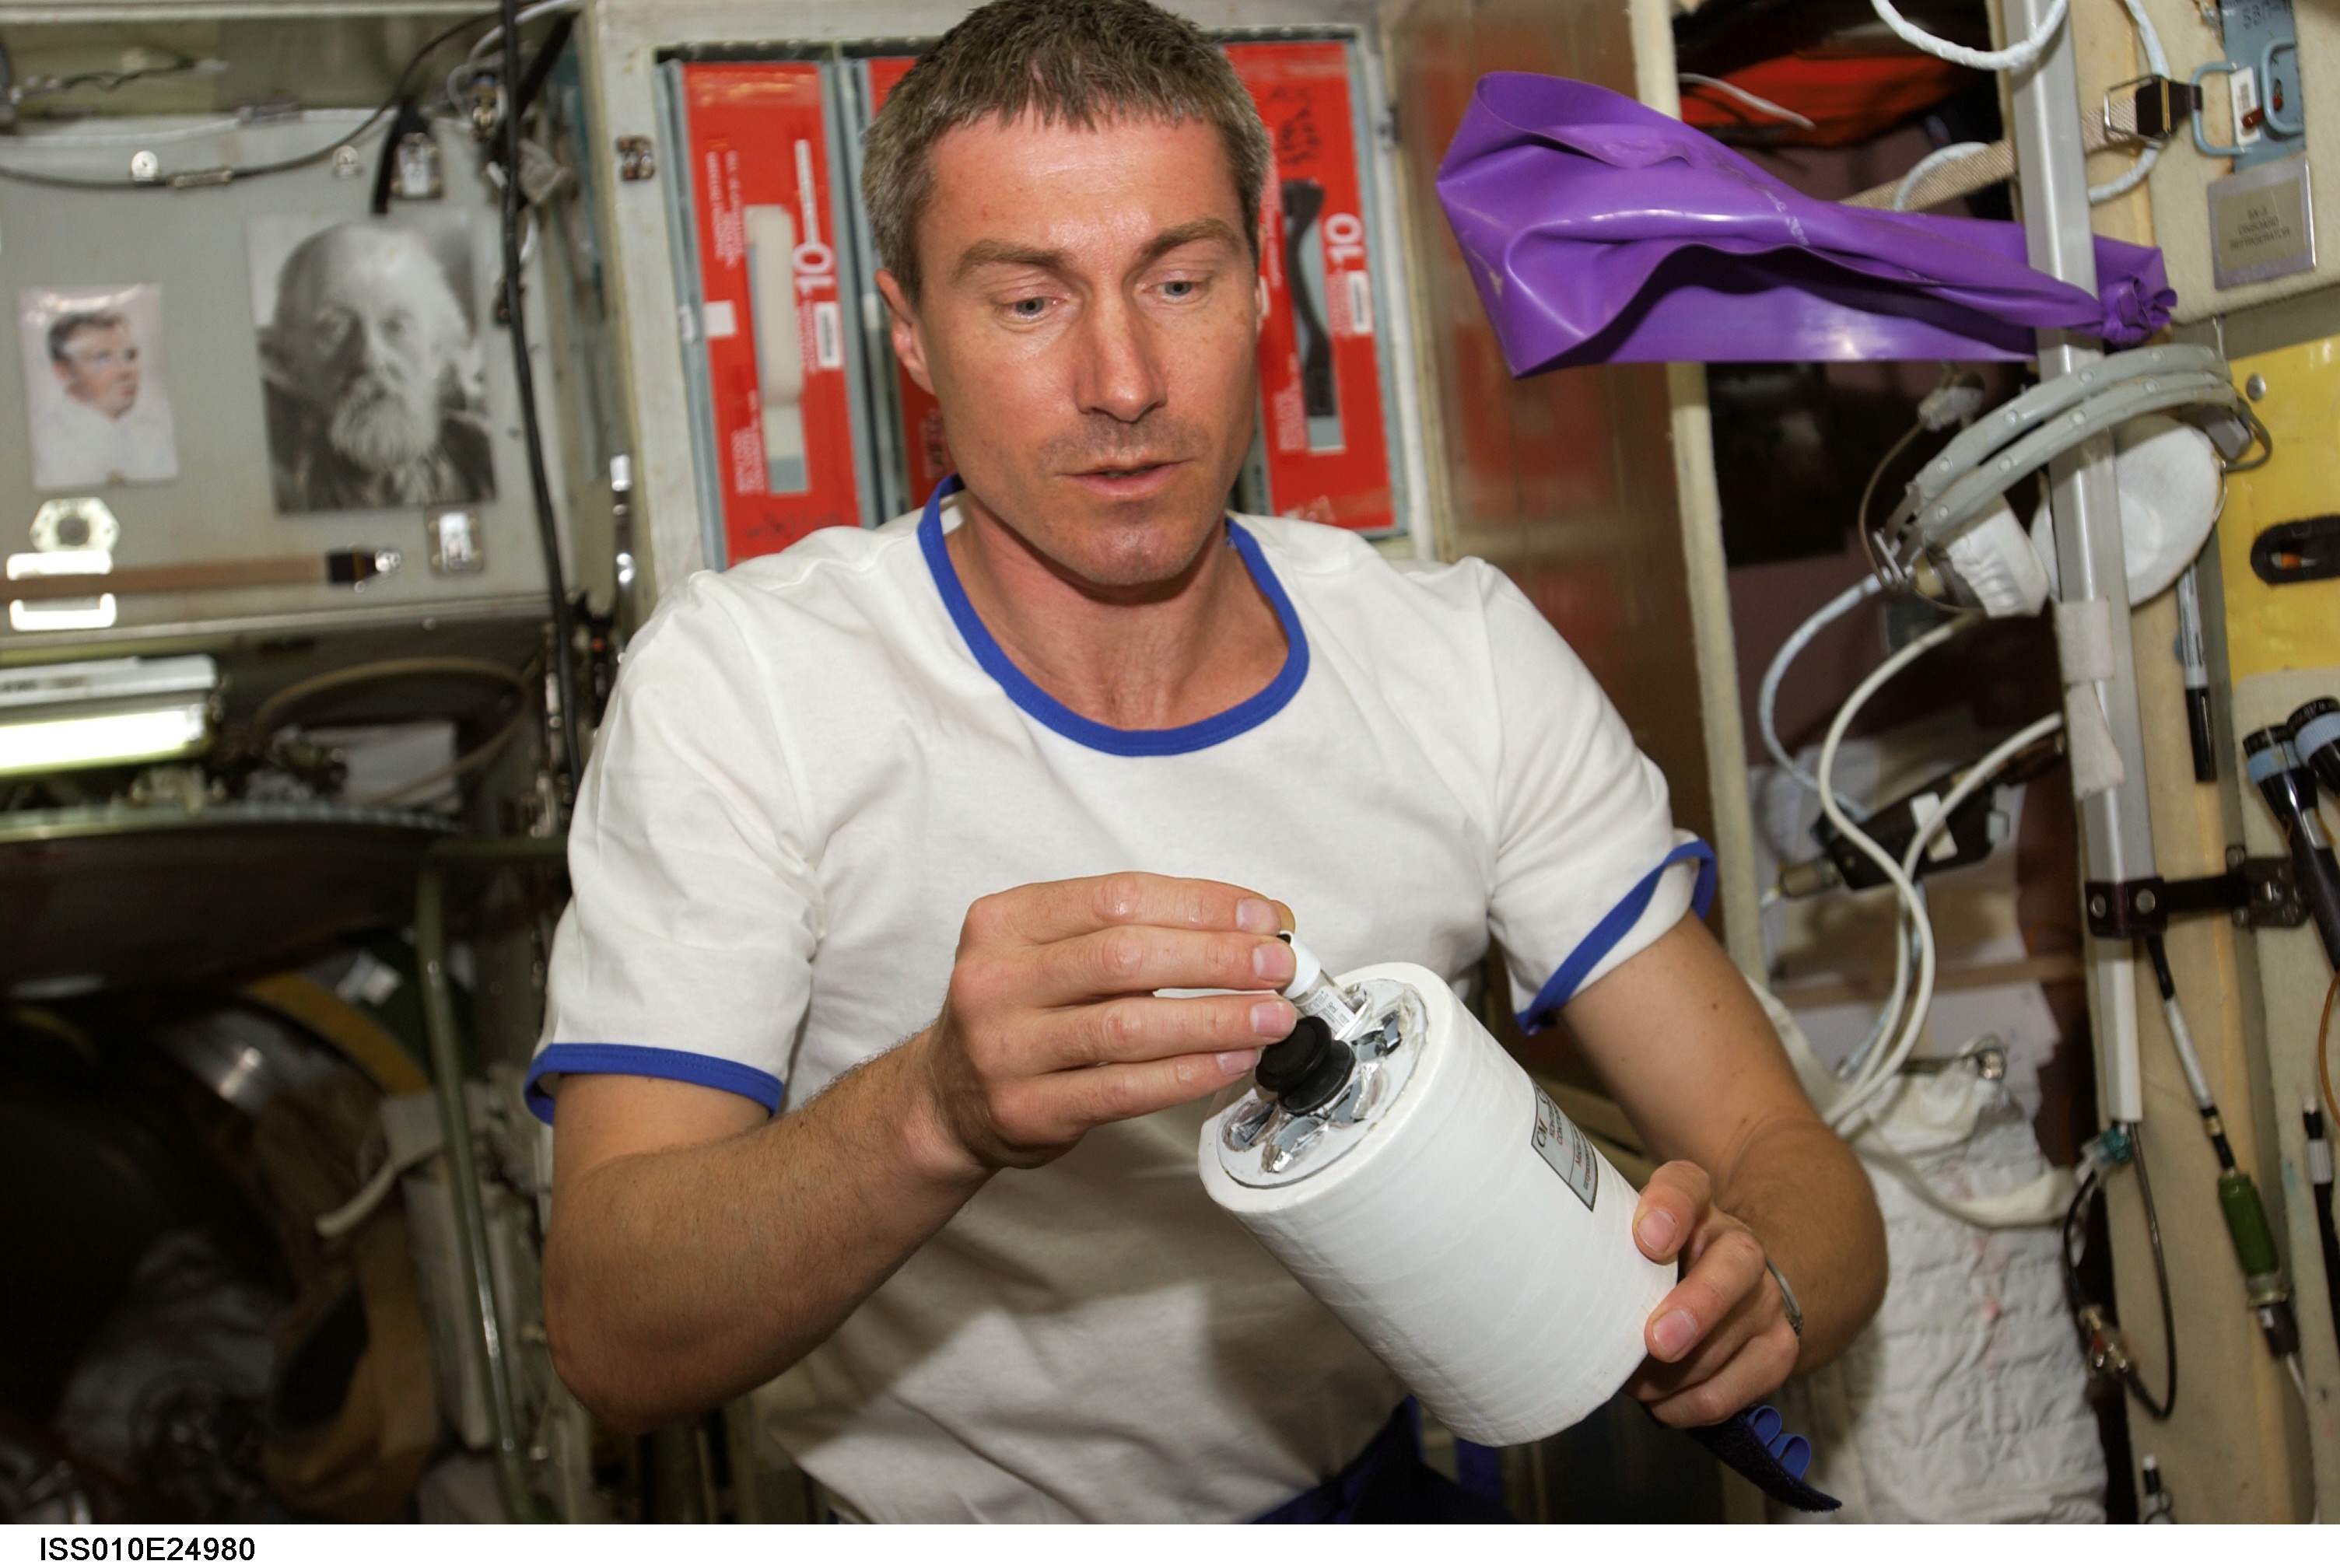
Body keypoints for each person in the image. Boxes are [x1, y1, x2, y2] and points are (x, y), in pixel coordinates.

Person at [532, 0, 1886, 1523]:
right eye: (1029, 302)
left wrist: (1754, 1288)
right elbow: (608, 1329)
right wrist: (933, 1111)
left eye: (1176, 280)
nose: (1123, 380)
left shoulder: (1456, 663)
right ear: (908, 331)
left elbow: (1795, 1170)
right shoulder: (750, 688)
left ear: (1261, 278)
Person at [257, 223, 493, 513]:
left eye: (396, 326)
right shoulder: (266, 483)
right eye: (335, 328)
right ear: (289, 360)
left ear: (434, 352)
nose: (370, 358)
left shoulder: (485, 461)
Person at [31, 307, 178, 489]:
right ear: (64, 372)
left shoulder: (155, 436)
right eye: (103, 359)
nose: (126, 370)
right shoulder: (43, 448)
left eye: (129, 356)